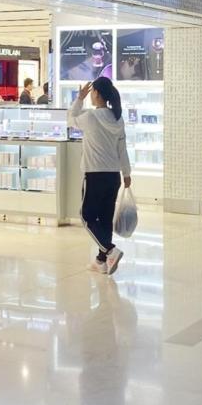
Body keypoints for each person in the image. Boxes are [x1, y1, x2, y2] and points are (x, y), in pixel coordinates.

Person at [69, 77, 132, 275]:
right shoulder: (117, 119)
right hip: (113, 176)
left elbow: (71, 119)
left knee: (86, 217)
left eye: (92, 92)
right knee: (105, 218)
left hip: (94, 174)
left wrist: (79, 99)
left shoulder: (90, 117)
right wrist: (127, 173)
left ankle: (110, 250)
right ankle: (101, 261)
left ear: (95, 93)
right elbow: (122, 149)